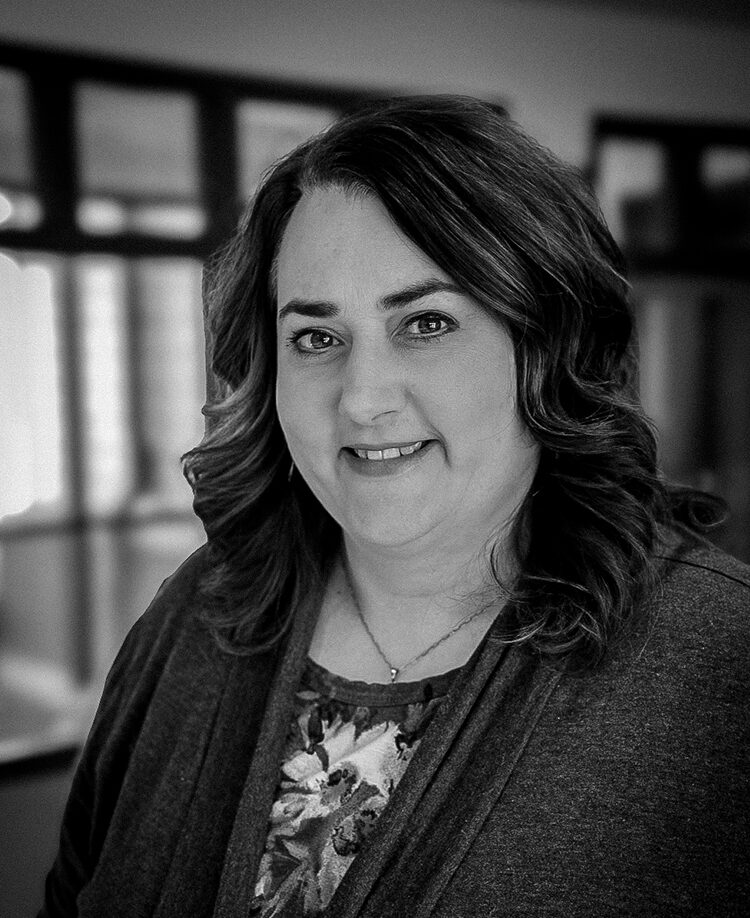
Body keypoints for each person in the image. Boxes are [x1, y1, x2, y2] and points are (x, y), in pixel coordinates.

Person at [41, 95, 749, 918]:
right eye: (316, 337)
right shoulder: (196, 612)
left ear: (546, 349)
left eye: (425, 322)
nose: (362, 399)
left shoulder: (718, 661)